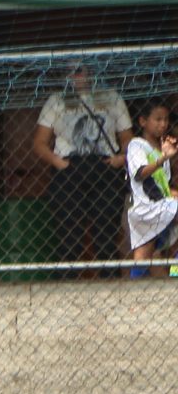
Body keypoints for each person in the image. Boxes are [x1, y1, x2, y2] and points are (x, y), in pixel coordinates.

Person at [35, 65, 132, 273]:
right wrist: (57, 161)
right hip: (70, 167)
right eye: (73, 71)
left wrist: (121, 158)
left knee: (106, 234)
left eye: (82, 70)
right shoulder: (58, 100)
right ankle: (67, 285)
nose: (78, 76)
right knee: (69, 234)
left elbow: (127, 137)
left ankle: (111, 284)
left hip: (105, 166)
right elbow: (40, 142)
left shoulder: (111, 98)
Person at [125, 99, 178, 271]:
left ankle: (134, 289)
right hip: (146, 207)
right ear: (143, 121)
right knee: (144, 253)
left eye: (166, 119)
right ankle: (175, 273)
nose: (163, 124)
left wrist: (173, 192)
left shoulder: (162, 148)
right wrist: (163, 157)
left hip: (161, 205)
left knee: (143, 256)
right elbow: (141, 174)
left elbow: (160, 184)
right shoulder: (137, 145)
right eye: (158, 119)